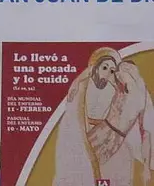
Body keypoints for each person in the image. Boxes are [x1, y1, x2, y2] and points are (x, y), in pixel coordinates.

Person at [53, 47, 154, 186]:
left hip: (117, 141)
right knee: (87, 172)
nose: (107, 73)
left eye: (112, 70)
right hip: (100, 136)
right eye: (104, 68)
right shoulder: (88, 88)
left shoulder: (124, 86)